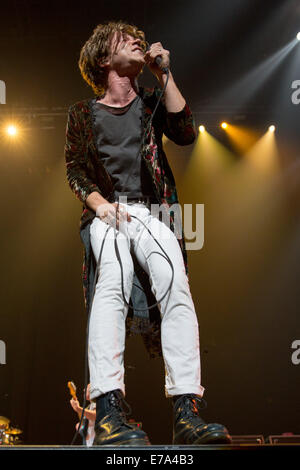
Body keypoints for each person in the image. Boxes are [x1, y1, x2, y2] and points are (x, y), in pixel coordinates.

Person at [64, 20, 231, 446]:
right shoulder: (82, 113)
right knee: (112, 286)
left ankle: (186, 411)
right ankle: (107, 411)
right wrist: (100, 207)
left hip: (154, 212)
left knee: (176, 285)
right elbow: (75, 170)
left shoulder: (153, 101)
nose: (137, 40)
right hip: (108, 212)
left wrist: (165, 74)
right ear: (104, 59)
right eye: (125, 39)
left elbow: (186, 131)